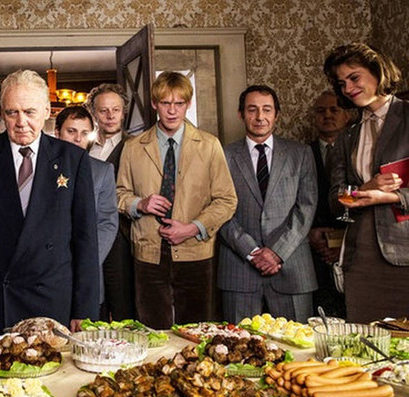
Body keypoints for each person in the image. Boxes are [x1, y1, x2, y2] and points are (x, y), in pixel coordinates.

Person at [0, 70, 100, 333]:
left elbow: (85, 240)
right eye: (12, 112)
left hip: (52, 298)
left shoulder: (73, 159)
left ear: (46, 111)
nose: (21, 122)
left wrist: (84, 310)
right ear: (2, 113)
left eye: (29, 112)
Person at [116, 72, 237, 328]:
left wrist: (193, 227)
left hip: (196, 250)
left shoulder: (209, 145)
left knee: (195, 331)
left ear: (188, 104)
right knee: (152, 331)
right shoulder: (133, 147)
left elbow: (226, 199)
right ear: (154, 104)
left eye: (179, 103)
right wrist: (140, 204)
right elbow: (118, 194)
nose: (172, 111)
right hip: (148, 252)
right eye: (165, 103)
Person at [323, 43, 409, 323]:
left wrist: (393, 197)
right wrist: (364, 189)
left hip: (404, 253)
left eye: (354, 78)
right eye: (341, 83)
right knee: (364, 341)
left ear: (377, 71)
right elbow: (334, 202)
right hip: (359, 256)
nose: (348, 88)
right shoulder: (347, 136)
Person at [219, 85, 318, 324]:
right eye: (252, 109)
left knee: (296, 343)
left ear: (277, 114)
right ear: (241, 114)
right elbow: (218, 209)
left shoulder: (300, 153)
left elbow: (306, 208)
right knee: (238, 343)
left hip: (292, 268)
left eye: (267, 109)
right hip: (239, 269)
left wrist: (276, 252)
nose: (260, 117)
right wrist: (252, 252)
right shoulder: (223, 155)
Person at [55, 106, 118, 314]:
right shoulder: (39, 169)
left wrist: (86, 261)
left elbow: (107, 223)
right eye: (71, 131)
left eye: (84, 133)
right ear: (57, 132)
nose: (78, 138)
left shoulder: (103, 171)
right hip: (47, 274)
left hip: (87, 274)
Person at [85, 83, 135, 321]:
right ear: (93, 114)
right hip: (88, 235)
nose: (110, 115)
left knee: (122, 302)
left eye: (116, 109)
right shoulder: (84, 148)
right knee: (94, 299)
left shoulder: (136, 146)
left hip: (122, 237)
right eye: (103, 110)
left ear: (123, 113)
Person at [308, 90, 351, 318]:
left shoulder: (359, 152)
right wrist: (310, 234)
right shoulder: (302, 153)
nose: (327, 115)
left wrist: (342, 242)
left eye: (334, 109)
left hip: (351, 247)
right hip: (312, 250)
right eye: (321, 111)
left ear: (347, 115)